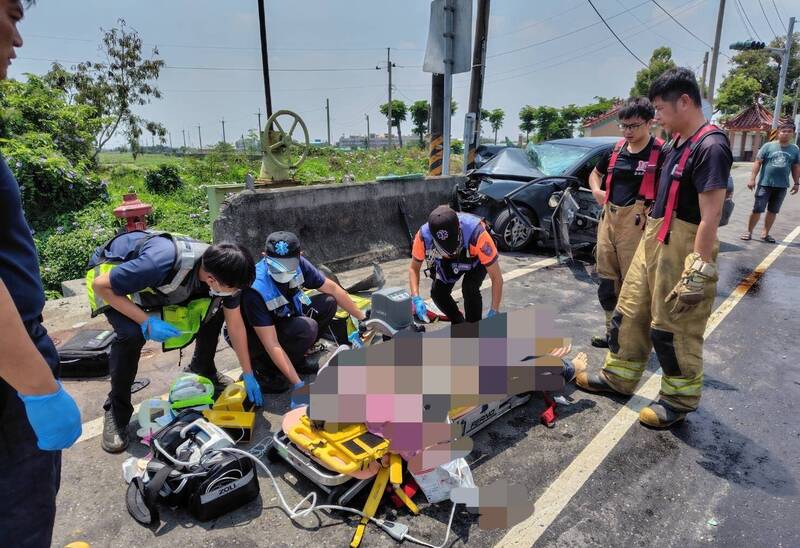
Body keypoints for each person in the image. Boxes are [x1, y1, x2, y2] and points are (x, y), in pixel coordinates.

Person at [575, 67, 732, 428]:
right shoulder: (677, 142)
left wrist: (699, 268)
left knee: (672, 327)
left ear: (685, 102)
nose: (656, 116)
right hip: (653, 237)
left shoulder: (711, 146)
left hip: (683, 245)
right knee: (628, 312)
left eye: (660, 109)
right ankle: (618, 376)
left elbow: (710, 216)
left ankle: (678, 399)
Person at [1, 4, 83, 546]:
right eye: (11, 15)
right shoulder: (158, 261)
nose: (18, 40)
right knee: (21, 517)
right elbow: (106, 287)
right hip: (11, 372)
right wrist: (37, 387)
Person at [87, 233, 256, 452]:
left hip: (149, 283)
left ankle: (203, 369)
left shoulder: (222, 272)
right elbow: (101, 286)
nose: (235, 294)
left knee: (214, 311)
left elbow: (235, 325)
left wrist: (248, 373)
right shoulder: (158, 264)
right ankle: (116, 412)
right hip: (110, 278)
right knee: (131, 334)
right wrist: (146, 320)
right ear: (212, 280)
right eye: (234, 289)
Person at [237, 231, 367, 405]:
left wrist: (363, 318)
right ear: (264, 256)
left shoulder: (301, 265)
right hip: (257, 338)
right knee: (307, 328)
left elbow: (333, 289)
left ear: (300, 256)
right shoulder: (256, 289)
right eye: (276, 265)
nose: (283, 270)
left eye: (289, 265)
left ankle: (295, 359)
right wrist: (298, 385)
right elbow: (271, 343)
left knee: (328, 302)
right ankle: (265, 369)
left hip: (284, 319)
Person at [588, 97, 663, 348]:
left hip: (638, 225)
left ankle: (631, 339)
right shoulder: (616, 150)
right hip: (609, 220)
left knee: (634, 284)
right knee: (607, 281)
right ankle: (612, 333)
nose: (628, 131)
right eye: (624, 126)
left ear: (650, 123)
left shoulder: (660, 153)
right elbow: (595, 174)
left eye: (634, 126)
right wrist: (597, 191)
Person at [409, 205, 503, 323]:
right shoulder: (423, 237)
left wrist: (494, 310)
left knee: (470, 288)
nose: (451, 253)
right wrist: (416, 298)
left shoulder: (478, 234)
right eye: (445, 249)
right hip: (446, 261)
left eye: (453, 245)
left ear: (459, 229)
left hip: (476, 258)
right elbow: (414, 268)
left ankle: (474, 326)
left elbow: (496, 277)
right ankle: (458, 321)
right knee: (438, 293)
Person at [741, 120, 800, 243]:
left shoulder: (795, 149)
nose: (786, 133)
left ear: (793, 134)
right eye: (784, 131)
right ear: (778, 132)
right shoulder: (768, 146)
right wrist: (752, 179)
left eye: (789, 131)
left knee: (773, 211)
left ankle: (765, 234)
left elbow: (795, 167)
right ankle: (748, 232)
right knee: (757, 209)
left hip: (782, 186)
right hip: (765, 184)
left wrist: (796, 183)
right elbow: (758, 162)